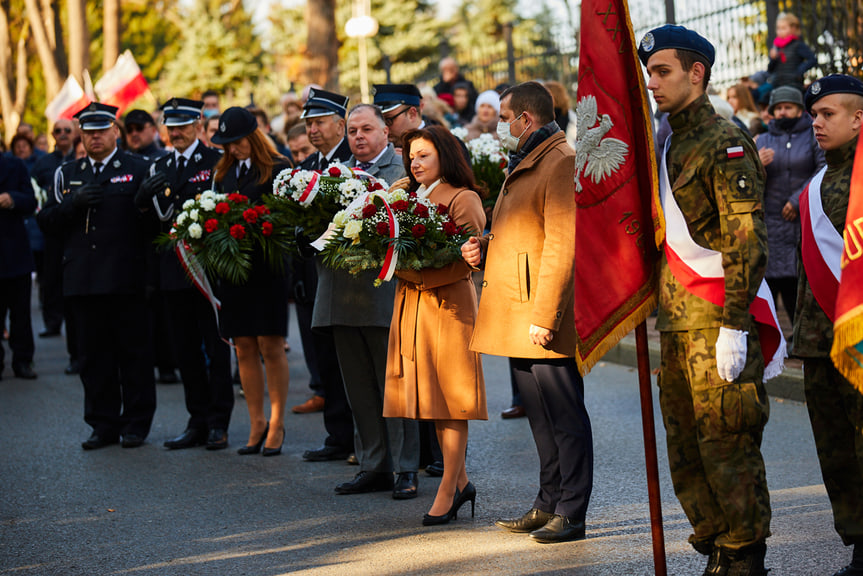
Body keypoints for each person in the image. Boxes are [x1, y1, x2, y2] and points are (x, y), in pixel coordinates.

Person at [638, 25, 771, 574]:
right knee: (685, 445)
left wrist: (736, 326)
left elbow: (745, 243)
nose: (651, 82)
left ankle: (744, 552)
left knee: (727, 444)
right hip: (675, 323)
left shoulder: (725, 142)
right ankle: (715, 541)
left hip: (717, 319)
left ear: (697, 73)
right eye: (648, 72)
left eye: (662, 71)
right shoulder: (668, 142)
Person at [462, 81, 593, 544]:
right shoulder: (530, 156)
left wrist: (547, 315)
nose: (500, 126)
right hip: (517, 310)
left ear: (527, 119)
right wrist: (484, 246)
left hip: (539, 315)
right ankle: (548, 502)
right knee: (540, 417)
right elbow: (520, 229)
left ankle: (572, 512)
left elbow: (562, 245)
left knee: (565, 416)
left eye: (504, 118)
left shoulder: (558, 160)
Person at [37, 102, 162, 449]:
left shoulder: (139, 167)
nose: (95, 138)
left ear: (114, 132)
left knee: (134, 356)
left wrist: (142, 204)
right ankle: (102, 424)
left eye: (102, 131)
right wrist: (70, 205)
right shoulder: (67, 173)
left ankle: (136, 424)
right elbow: (46, 223)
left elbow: (157, 225)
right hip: (83, 279)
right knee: (93, 359)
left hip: (127, 277)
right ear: (81, 135)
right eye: (88, 132)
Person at [314, 103, 420, 498]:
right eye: (353, 130)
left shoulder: (403, 173)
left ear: (385, 133)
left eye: (367, 129)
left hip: (384, 295)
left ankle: (406, 468)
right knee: (358, 388)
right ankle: (373, 464)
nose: (358, 136)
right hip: (341, 297)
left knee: (395, 385)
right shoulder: (332, 176)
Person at [384, 125, 487, 526]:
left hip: (449, 306)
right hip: (413, 304)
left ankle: (449, 487)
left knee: (452, 399)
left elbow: (470, 257)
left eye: (423, 154)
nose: (414, 161)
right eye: (411, 155)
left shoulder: (463, 198)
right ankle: (460, 481)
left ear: (444, 156)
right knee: (431, 398)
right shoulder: (405, 196)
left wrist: (414, 269)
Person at [794, 74, 863, 576]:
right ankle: (860, 542)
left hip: (857, 340)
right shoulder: (816, 184)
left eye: (828, 114)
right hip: (819, 341)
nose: (816, 122)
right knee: (836, 451)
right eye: (814, 115)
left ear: (858, 119)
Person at [140, 98, 234, 451]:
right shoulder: (158, 165)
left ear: (198, 125)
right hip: (172, 270)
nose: (175, 132)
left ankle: (218, 422)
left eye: (182, 125)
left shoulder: (215, 162)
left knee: (215, 346)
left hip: (207, 271)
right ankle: (196, 418)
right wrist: (141, 200)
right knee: (184, 351)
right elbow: (152, 223)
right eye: (171, 126)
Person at [209, 106, 292, 456]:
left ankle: (276, 422)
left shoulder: (279, 168)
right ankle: (255, 421)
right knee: (242, 345)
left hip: (267, 270)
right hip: (234, 271)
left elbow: (287, 218)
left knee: (270, 345)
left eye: (237, 141)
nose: (232, 149)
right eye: (226, 143)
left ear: (253, 137)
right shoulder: (223, 173)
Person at [293, 89, 355, 463]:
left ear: (340, 125)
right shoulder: (306, 168)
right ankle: (337, 435)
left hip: (349, 277)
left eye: (318, 123)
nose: (312, 130)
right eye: (308, 124)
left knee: (351, 359)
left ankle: (358, 436)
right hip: (314, 275)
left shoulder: (353, 163)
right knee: (325, 358)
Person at [756, 85, 824, 326]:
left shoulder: (813, 136)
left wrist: (797, 199)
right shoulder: (762, 139)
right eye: (779, 108)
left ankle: (800, 339)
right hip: (771, 225)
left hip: (801, 222)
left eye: (789, 107)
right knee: (770, 286)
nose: (783, 112)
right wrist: (757, 164)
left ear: (799, 110)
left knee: (798, 285)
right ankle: (771, 342)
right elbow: (748, 182)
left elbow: (823, 169)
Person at [32, 119, 77, 346]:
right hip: (53, 231)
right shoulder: (44, 163)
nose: (62, 134)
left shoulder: (79, 158)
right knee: (51, 279)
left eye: (66, 130)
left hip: (76, 232)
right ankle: (52, 322)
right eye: (57, 131)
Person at [0, 153, 37, 380]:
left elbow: (31, 201)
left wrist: (12, 199)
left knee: (20, 313)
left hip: (15, 252)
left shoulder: (15, 165)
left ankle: (22, 360)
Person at [766, 12, 816, 93]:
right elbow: (770, 70)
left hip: (793, 84)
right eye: (778, 28)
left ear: (793, 29)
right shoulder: (776, 46)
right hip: (777, 84)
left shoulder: (797, 44)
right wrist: (773, 59)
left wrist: (798, 72)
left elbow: (812, 59)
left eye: (783, 28)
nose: (780, 31)